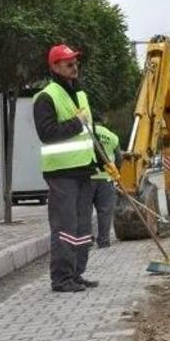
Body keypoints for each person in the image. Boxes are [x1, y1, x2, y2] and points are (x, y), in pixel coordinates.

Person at [33, 44, 99, 293]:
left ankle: (76, 273)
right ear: (55, 67)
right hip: (62, 173)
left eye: (75, 62)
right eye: (68, 63)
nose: (74, 66)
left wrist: (100, 161)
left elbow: (89, 133)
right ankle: (61, 278)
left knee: (82, 227)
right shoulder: (46, 97)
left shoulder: (80, 95)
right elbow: (47, 133)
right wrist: (76, 123)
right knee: (65, 227)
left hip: (83, 169)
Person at [90, 122, 121, 249]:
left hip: (88, 178)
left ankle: (87, 240)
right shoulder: (112, 136)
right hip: (106, 179)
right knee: (105, 211)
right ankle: (104, 240)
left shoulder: (87, 133)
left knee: (85, 210)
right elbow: (119, 158)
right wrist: (115, 173)